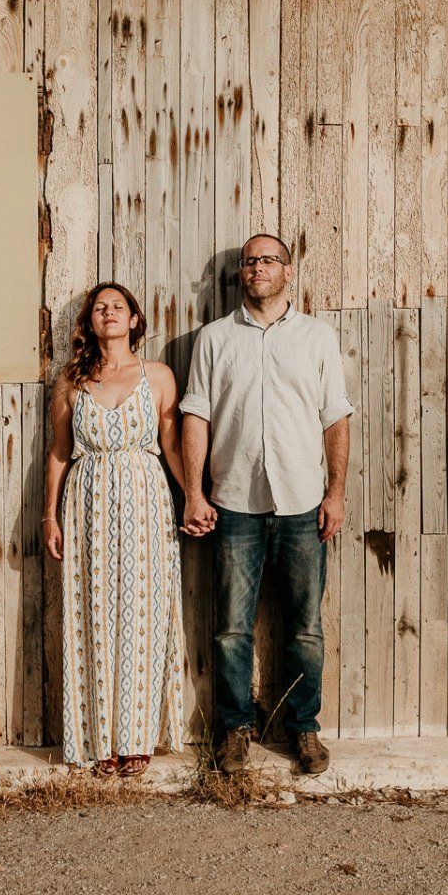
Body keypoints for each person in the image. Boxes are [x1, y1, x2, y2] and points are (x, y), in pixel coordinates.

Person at [178, 234, 351, 776]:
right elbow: (196, 415)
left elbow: (335, 417)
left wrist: (336, 493)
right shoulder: (214, 339)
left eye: (268, 259)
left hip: (302, 502)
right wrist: (194, 492)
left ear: (288, 271)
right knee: (232, 629)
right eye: (250, 261)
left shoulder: (317, 337)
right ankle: (234, 730)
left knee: (305, 628)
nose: (258, 267)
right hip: (234, 503)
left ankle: (303, 728)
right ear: (241, 275)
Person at [41, 282, 190, 777]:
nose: (109, 312)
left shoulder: (158, 375)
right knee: (95, 613)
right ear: (90, 321)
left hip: (146, 502)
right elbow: (59, 451)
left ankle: (137, 737)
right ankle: (99, 736)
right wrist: (49, 515)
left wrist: (194, 495)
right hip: (88, 506)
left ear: (134, 320)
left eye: (118, 306)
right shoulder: (72, 381)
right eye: (100, 307)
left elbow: (172, 444)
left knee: (144, 615)